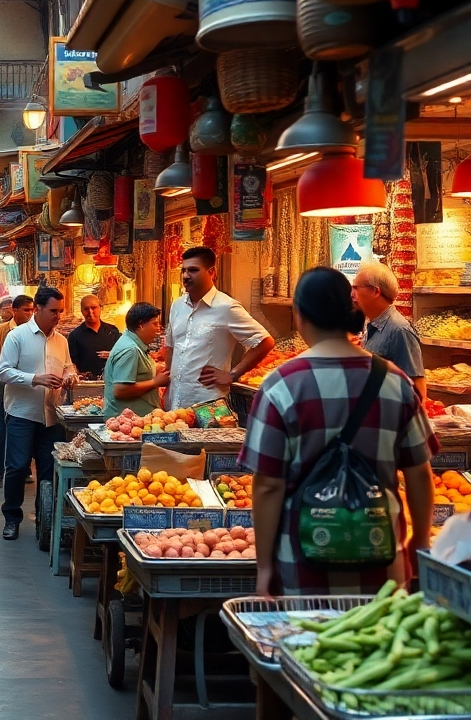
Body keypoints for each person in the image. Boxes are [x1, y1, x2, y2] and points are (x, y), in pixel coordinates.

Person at [241, 266, 436, 596]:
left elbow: (268, 487)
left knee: (308, 645)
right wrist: (419, 543)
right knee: (381, 645)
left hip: (303, 563)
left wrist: (264, 567)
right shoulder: (394, 382)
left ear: (300, 315)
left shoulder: (280, 386)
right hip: (382, 562)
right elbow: (419, 474)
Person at [0, 286, 72, 541]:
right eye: (53, 311)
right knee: (17, 467)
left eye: (60, 311)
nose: (57, 316)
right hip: (22, 414)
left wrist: (70, 377)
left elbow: (68, 367)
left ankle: (45, 518)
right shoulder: (17, 336)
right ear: (38, 309)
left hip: (52, 415)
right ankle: (11, 518)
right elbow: (3, 372)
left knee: (48, 469)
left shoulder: (61, 340)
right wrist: (35, 378)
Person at [165, 246, 274, 411]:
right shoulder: (177, 306)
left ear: (212, 272)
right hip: (175, 402)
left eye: (193, 270)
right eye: (184, 270)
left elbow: (264, 341)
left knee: (208, 438)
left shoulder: (227, 307)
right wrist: (167, 383)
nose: (186, 276)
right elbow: (171, 346)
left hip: (209, 404)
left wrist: (233, 374)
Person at [353, 260, 426, 399]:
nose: (352, 294)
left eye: (356, 288)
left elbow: (417, 388)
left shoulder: (399, 330)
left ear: (375, 291)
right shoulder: (370, 324)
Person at [0, 294, 34, 488]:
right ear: (14, 311)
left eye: (32, 310)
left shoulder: (34, 332)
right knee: (0, 431)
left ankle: (24, 469)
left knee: (24, 429)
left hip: (26, 386)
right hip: (2, 386)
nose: (30, 314)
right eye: (26, 310)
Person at [103, 303, 167, 419]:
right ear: (141, 325)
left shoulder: (132, 344)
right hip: (127, 423)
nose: (158, 328)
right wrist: (155, 382)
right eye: (155, 324)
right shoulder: (130, 349)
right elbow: (120, 390)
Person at [67, 295, 121, 378]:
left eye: (93, 308)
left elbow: (124, 355)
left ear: (100, 308)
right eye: (86, 309)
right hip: (86, 385)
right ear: (81, 311)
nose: (90, 312)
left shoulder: (113, 331)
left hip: (112, 382)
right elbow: (72, 364)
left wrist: (113, 355)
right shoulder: (75, 336)